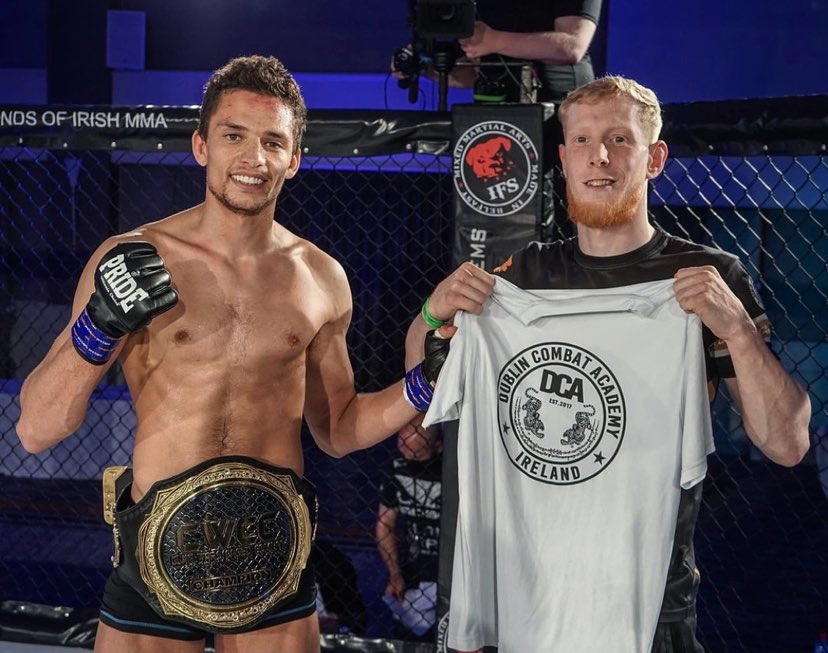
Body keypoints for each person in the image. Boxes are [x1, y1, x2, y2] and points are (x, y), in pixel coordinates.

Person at [15, 55, 446, 653]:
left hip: (276, 552)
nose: (254, 158)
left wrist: (424, 384)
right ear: (201, 146)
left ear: (294, 159)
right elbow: (36, 429)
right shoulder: (132, 256)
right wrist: (98, 327)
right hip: (156, 547)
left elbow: (339, 429)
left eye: (273, 142)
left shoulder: (320, 278)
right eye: (234, 136)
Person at [405, 76, 811, 652]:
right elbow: (423, 391)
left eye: (620, 139)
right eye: (582, 140)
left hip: (645, 600)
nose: (599, 156)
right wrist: (431, 311)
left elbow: (787, 444)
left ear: (654, 159)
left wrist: (738, 330)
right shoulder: (522, 275)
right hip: (525, 592)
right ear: (563, 160)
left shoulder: (705, 275)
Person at [376, 415, 443, 641]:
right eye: (403, 448)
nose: (408, 458)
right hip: (413, 571)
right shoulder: (396, 468)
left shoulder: (454, 471)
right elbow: (385, 525)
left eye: (417, 453)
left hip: (450, 572)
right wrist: (394, 573)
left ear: (438, 446)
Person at [456, 0, 603, 104]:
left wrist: (494, 41)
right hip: (492, 109)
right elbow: (471, 73)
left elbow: (572, 46)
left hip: (560, 109)